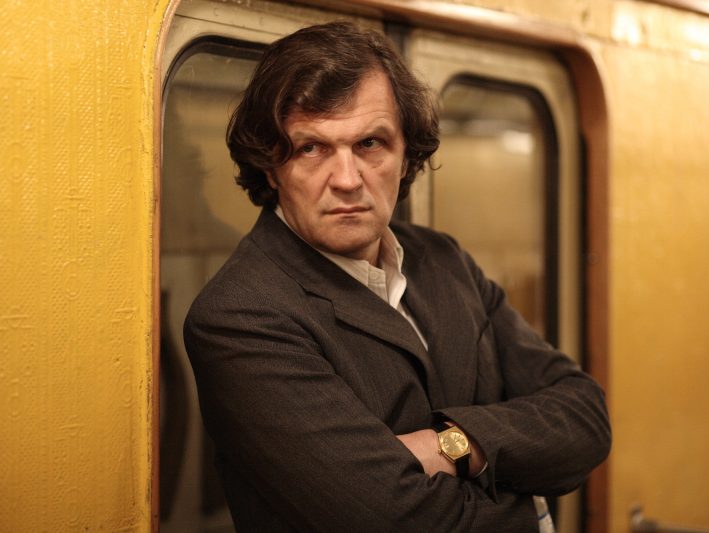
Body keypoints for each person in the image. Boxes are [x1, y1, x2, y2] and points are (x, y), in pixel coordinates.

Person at [183, 21, 611, 532]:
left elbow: (585, 417)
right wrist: (532, 508)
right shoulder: (240, 315)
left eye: (370, 143)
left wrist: (449, 445)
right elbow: (391, 519)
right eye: (311, 148)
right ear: (272, 168)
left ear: (407, 155)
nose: (346, 180)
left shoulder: (443, 260)